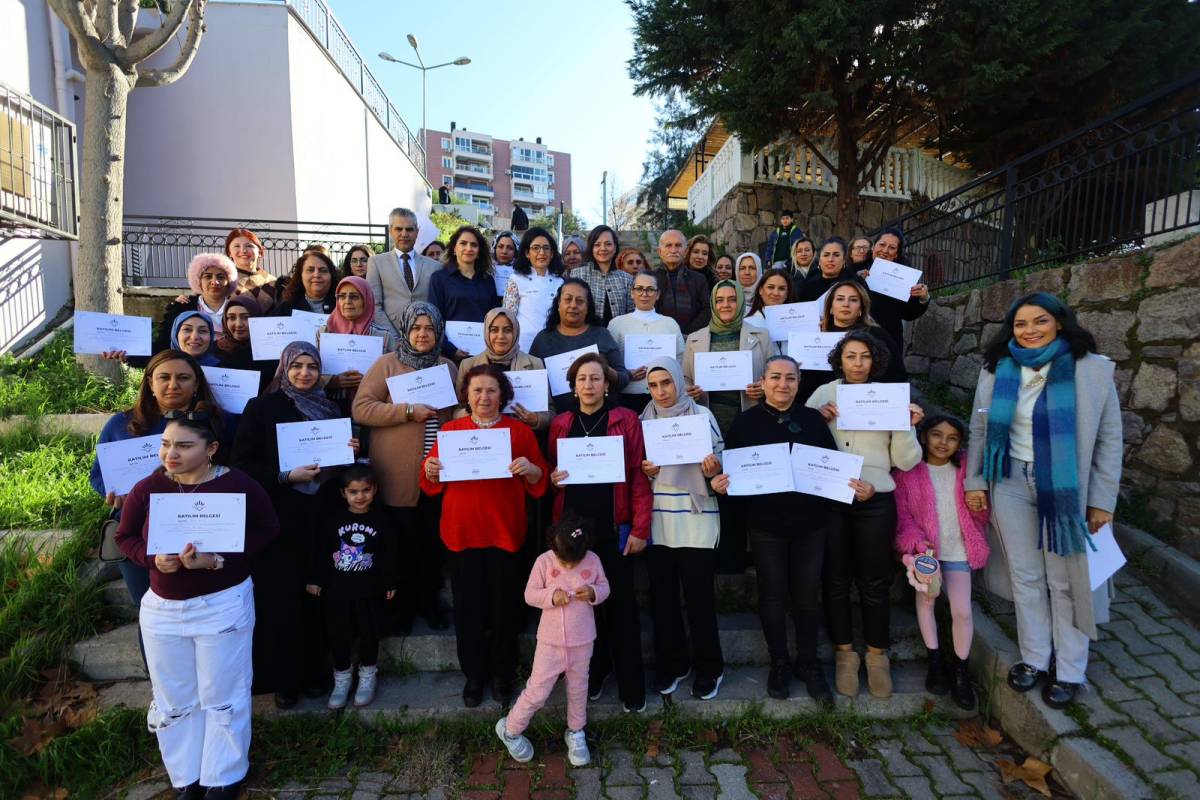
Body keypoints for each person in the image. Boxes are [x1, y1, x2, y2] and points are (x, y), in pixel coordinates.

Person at [965, 293, 1121, 710]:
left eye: (1040, 321)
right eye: (1021, 324)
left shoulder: (1092, 370)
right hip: (1010, 480)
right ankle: (1035, 657)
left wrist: (1102, 500)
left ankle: (1069, 669)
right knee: (1026, 576)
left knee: (1065, 580)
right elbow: (979, 430)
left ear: (1059, 323)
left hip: (1066, 489)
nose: (1030, 330)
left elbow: (1110, 439)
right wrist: (975, 481)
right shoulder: (997, 369)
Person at [115, 410, 279, 800]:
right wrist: (152, 559)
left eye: (184, 446)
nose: (171, 454)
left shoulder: (238, 485)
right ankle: (187, 774)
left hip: (222, 603)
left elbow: (268, 529)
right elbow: (124, 536)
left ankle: (223, 774)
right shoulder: (148, 487)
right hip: (163, 609)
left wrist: (219, 559)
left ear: (212, 449)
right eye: (166, 444)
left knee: (223, 693)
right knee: (174, 697)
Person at [231, 342, 358, 708]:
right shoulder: (262, 407)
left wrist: (349, 450)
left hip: (321, 515)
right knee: (282, 599)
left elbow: (336, 467)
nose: (304, 373)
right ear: (283, 368)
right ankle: (285, 680)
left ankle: (316, 673)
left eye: (312, 366)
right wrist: (287, 475)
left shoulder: (331, 408)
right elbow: (242, 466)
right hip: (279, 518)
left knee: (320, 597)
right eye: (297, 366)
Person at [710, 355, 838, 703]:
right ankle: (779, 662)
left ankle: (808, 663)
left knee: (807, 597)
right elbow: (733, 473)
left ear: (799, 383)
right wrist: (722, 484)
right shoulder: (745, 423)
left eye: (790, 378)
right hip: (766, 525)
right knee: (772, 594)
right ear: (763, 382)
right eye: (776, 377)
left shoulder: (812, 420)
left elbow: (831, 465)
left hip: (811, 524)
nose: (783, 384)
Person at [421, 364, 549, 707]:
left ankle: (503, 675)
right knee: (468, 610)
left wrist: (531, 469)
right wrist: (430, 470)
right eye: (477, 390)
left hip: (505, 532)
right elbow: (430, 482)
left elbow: (540, 479)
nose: (484, 397)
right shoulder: (450, 431)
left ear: (502, 394)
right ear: (466, 394)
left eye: (491, 390)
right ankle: (474, 676)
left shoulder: (518, 432)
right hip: (461, 533)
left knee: (505, 608)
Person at [807, 331, 923, 699]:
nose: (858, 364)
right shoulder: (823, 394)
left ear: (876, 361)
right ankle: (845, 654)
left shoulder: (891, 397)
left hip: (876, 500)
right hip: (830, 498)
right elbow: (801, 442)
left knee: (874, 580)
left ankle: (877, 654)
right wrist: (816, 419)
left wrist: (907, 426)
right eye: (850, 356)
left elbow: (906, 461)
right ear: (839, 360)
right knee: (836, 579)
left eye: (865, 356)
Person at [90, 351, 224, 665]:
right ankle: (160, 682)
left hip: (200, 526)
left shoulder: (216, 421)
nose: (173, 385)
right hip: (138, 532)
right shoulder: (121, 424)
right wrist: (112, 492)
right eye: (164, 377)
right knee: (152, 613)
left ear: (196, 384)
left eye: (183, 377)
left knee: (202, 610)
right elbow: (98, 475)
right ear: (150, 383)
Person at [547, 353, 651, 713]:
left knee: (621, 609)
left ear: (607, 385)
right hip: (574, 536)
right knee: (582, 610)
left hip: (613, 527)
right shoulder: (561, 423)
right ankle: (596, 672)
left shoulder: (625, 420)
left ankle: (631, 685)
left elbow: (637, 474)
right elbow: (554, 472)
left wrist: (640, 527)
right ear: (573, 387)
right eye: (582, 379)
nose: (588, 385)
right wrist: (553, 479)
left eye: (595, 378)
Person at [352, 302, 458, 633]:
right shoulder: (387, 364)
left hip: (438, 473)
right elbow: (361, 408)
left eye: (429, 328)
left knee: (431, 545)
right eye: (416, 328)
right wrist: (407, 411)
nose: (422, 334)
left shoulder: (448, 367)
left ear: (439, 332)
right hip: (397, 473)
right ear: (405, 331)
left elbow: (456, 410)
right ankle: (400, 610)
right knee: (399, 545)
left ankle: (429, 603)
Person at [640, 357, 725, 700]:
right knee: (663, 602)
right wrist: (645, 470)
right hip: (658, 521)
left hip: (696, 519)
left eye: (667, 383)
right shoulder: (643, 421)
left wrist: (713, 467)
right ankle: (674, 663)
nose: (661, 391)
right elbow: (633, 472)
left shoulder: (702, 416)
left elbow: (722, 463)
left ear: (678, 381)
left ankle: (710, 667)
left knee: (700, 601)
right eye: (653, 385)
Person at [496, 514, 609, 767]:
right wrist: (551, 596)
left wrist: (593, 592)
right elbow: (530, 594)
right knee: (537, 690)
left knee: (578, 689)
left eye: (573, 562)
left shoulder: (593, 560)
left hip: (583, 640)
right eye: (564, 561)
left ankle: (576, 731)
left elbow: (605, 587)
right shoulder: (544, 562)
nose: (568, 567)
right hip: (550, 642)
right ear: (554, 547)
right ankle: (511, 729)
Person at [894, 415, 990, 710]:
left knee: (962, 612)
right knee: (926, 602)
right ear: (923, 437)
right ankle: (934, 659)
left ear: (960, 443)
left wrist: (979, 507)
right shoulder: (908, 473)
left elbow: (981, 515)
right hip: (927, 555)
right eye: (936, 435)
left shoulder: (966, 473)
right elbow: (903, 518)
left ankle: (960, 669)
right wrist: (917, 544)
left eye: (952, 438)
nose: (943, 443)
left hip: (959, 551)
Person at [682, 280, 769, 573]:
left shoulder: (760, 335)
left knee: (747, 488)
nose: (726, 305)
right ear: (712, 304)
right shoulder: (695, 339)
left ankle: (748, 554)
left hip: (747, 421)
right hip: (710, 425)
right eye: (720, 300)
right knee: (717, 487)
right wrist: (690, 391)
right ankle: (722, 557)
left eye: (732, 299)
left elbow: (774, 373)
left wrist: (763, 388)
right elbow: (685, 380)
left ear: (741, 302)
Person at [307, 464, 395, 709]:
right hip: (337, 592)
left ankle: (367, 675)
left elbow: (389, 554)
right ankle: (342, 677)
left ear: (374, 489)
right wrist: (315, 579)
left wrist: (390, 581)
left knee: (369, 633)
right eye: (353, 492)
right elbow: (321, 552)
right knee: (339, 635)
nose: (360, 496)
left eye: (365, 490)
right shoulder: (333, 520)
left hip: (369, 590)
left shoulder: (382, 520)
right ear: (343, 493)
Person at [796, 280, 905, 405]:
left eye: (853, 300)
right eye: (840, 299)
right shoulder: (814, 336)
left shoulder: (877, 335)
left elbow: (896, 375)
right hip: (822, 405)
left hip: (867, 404)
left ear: (861, 309)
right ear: (830, 307)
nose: (846, 304)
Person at [530, 278, 629, 411]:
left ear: (588, 307)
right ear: (558, 304)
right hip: (558, 418)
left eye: (580, 301)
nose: (573, 305)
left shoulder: (602, 335)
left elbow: (623, 379)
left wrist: (603, 368)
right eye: (568, 299)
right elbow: (533, 384)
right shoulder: (542, 339)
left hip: (600, 416)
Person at [456, 308, 552, 431]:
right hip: (481, 436)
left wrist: (536, 419)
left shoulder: (534, 364)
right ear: (486, 332)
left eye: (507, 330)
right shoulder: (468, 365)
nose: (501, 336)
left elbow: (551, 411)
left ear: (515, 332)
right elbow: (456, 410)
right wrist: (474, 413)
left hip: (520, 436)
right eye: (494, 330)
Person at [607, 271, 685, 414]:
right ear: (632, 293)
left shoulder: (670, 324)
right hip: (627, 396)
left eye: (650, 289)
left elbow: (680, 359)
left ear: (658, 294)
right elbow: (609, 362)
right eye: (639, 289)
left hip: (664, 397)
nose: (644, 294)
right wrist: (627, 374)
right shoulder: (616, 324)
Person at [316, 276, 396, 414]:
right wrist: (333, 381)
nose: (347, 301)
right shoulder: (324, 333)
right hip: (330, 408)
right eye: (342, 296)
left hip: (371, 408)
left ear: (366, 300)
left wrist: (371, 381)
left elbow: (394, 377)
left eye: (354, 296)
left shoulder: (383, 336)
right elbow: (312, 372)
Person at [366, 208, 441, 337]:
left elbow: (438, 307)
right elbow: (374, 305)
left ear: (417, 232)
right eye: (399, 229)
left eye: (409, 229)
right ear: (390, 231)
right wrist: (393, 337)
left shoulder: (434, 266)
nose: (404, 234)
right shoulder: (376, 263)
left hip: (424, 337)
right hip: (390, 338)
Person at [429, 226, 499, 361]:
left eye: (474, 245)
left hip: (483, 354)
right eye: (463, 243)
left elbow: (493, 317)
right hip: (448, 354)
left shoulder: (488, 280)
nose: (469, 248)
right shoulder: (439, 279)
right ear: (454, 248)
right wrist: (450, 349)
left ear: (479, 252)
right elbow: (434, 318)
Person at [856, 228, 930, 350]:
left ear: (896, 254)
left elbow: (908, 313)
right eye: (882, 244)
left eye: (892, 247)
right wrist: (857, 280)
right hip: (856, 339)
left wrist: (923, 298)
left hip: (888, 341)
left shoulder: (903, 277)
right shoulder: (856, 268)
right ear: (873, 247)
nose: (885, 250)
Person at [502, 227, 565, 354]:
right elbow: (508, 317)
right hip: (523, 346)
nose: (541, 253)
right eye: (536, 248)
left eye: (546, 248)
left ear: (552, 254)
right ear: (527, 253)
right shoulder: (516, 279)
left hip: (554, 345)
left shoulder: (560, 282)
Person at [158, 254, 238, 349]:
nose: (214, 282)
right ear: (198, 281)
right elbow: (165, 341)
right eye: (208, 277)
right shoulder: (182, 307)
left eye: (220, 277)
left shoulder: (238, 307)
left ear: (229, 281)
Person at [653, 229, 710, 334]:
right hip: (658, 336)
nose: (673, 250)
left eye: (678, 245)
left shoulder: (699, 279)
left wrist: (688, 334)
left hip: (691, 337)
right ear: (659, 252)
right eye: (668, 245)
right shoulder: (650, 279)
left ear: (686, 251)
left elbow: (707, 310)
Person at [214, 296, 275, 394]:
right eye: (232, 318)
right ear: (225, 320)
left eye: (246, 317)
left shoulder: (270, 352)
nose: (238, 324)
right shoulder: (215, 350)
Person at [574, 225, 634, 323]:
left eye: (608, 244)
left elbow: (631, 314)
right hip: (586, 332)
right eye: (597, 245)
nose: (603, 248)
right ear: (591, 248)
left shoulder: (627, 279)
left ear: (615, 248)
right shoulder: (577, 275)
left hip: (619, 332)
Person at [743, 268, 796, 356]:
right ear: (760, 290)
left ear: (787, 294)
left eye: (781, 289)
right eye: (770, 287)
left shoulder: (798, 322)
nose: (776, 293)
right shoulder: (748, 324)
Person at [226, 228, 278, 314]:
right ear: (229, 253)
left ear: (260, 252)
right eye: (237, 246)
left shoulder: (273, 282)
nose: (243, 250)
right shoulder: (224, 281)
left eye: (249, 246)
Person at [275, 250, 338, 316]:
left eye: (323, 271)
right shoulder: (286, 308)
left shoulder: (342, 304)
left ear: (331, 275)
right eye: (310, 270)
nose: (316, 275)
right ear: (300, 275)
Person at [794, 237, 852, 302]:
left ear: (844, 260)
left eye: (836, 255)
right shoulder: (806, 287)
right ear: (819, 260)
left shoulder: (854, 284)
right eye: (826, 255)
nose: (830, 259)